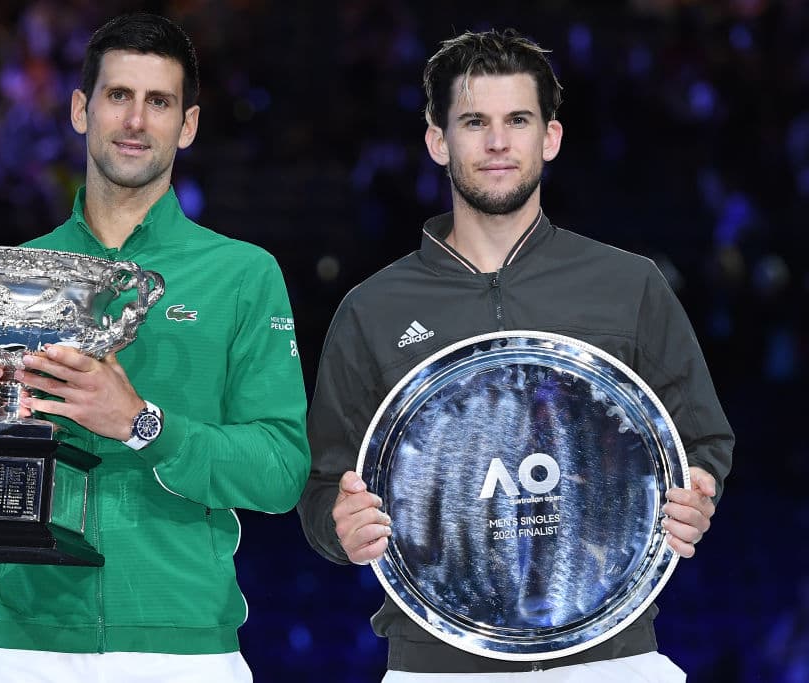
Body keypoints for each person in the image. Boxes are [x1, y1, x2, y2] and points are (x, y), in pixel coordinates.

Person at [297, 28, 733, 681]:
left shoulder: (628, 284)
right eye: (475, 122)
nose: (498, 142)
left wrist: (698, 490)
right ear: (438, 141)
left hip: (611, 657)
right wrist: (341, 526)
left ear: (550, 137)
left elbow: (702, 441)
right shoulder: (372, 309)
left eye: (518, 120)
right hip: (437, 665)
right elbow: (320, 486)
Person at [0, 13, 310, 683]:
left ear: (187, 124)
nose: (135, 120)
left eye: (159, 101)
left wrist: (141, 423)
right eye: (118, 95)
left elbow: (280, 472)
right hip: (24, 647)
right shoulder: (10, 276)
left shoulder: (242, 274)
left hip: (184, 653)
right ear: (81, 109)